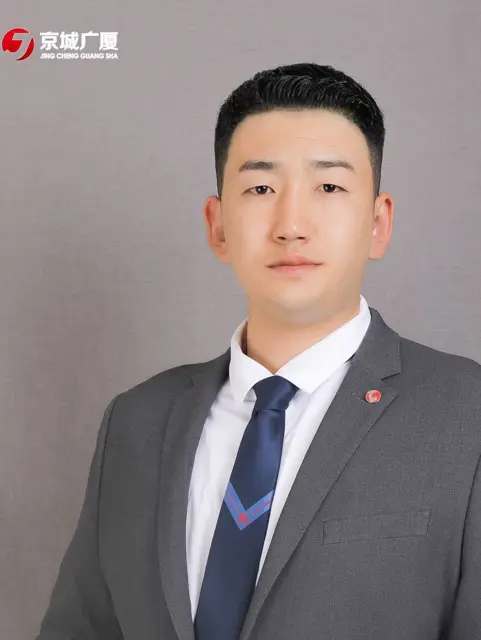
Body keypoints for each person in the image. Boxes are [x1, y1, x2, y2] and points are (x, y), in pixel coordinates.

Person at [36, 62, 481, 640]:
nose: (291, 224)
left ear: (378, 223)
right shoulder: (137, 421)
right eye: (261, 189)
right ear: (218, 225)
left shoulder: (464, 415)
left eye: (329, 187)